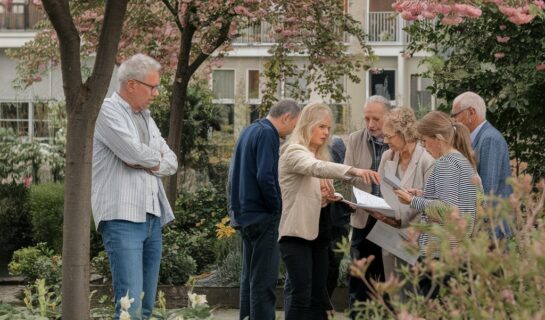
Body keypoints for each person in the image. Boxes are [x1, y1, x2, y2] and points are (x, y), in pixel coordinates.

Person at [92, 54, 178, 319]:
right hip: (122, 217)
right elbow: (132, 153)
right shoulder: (106, 111)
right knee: (130, 305)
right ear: (131, 84)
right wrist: (148, 159)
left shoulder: (147, 118)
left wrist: (145, 160)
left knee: (147, 305)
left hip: (152, 217)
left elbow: (172, 162)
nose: (156, 93)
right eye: (152, 87)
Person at [278, 102, 380, 320]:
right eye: (322, 126)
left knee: (319, 298)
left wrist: (334, 198)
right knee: (301, 298)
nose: (326, 133)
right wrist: (354, 170)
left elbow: (313, 192)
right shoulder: (294, 151)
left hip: (319, 236)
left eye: (328, 128)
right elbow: (315, 168)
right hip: (296, 236)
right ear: (307, 125)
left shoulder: (319, 156)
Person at [229, 99, 301, 320]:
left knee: (249, 279)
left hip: (245, 215)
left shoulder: (249, 130)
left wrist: (234, 211)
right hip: (263, 217)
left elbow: (232, 175)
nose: (294, 131)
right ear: (286, 117)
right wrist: (277, 208)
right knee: (263, 283)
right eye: (295, 124)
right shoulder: (269, 134)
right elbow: (265, 176)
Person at [394, 111, 478, 297]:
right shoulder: (464, 161)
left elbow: (448, 210)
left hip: (440, 253)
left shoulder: (445, 163)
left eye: (424, 141)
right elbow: (468, 201)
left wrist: (412, 200)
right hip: (460, 251)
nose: (424, 147)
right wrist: (425, 195)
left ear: (438, 138)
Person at [366, 107, 435, 296]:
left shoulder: (426, 161)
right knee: (394, 291)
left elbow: (428, 199)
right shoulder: (389, 156)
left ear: (404, 133)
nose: (386, 141)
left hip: (415, 234)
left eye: (389, 136)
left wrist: (400, 217)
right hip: (388, 231)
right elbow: (383, 190)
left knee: (413, 291)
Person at [344, 95, 391, 309]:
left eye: (376, 119)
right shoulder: (355, 139)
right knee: (359, 279)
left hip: (390, 220)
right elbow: (347, 175)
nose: (370, 125)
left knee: (386, 277)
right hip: (363, 218)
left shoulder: (398, 141)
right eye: (367, 119)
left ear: (388, 117)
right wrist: (360, 176)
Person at [451, 91, 512, 237]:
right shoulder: (479, 138)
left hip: (492, 230)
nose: (453, 121)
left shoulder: (489, 139)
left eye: (455, 115)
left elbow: (488, 189)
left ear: (471, 112)